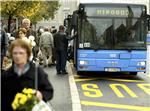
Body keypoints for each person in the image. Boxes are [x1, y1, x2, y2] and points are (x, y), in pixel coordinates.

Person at [1, 39, 53, 111]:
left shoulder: (37, 72)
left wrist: (41, 95)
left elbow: (49, 90)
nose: (17, 56)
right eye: (15, 53)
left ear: (27, 54)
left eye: (21, 53)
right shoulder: (5, 75)